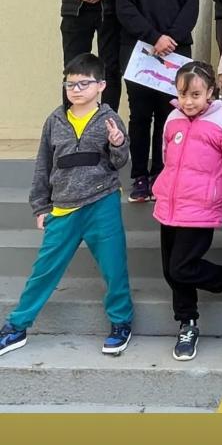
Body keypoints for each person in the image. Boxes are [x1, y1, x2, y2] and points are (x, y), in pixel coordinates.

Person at [0, 54, 133, 358]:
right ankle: (17, 326)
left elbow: (119, 163)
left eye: (83, 83)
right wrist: (40, 206)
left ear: (101, 85)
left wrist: (117, 142)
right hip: (63, 208)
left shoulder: (109, 120)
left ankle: (121, 322)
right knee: (44, 271)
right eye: (70, 83)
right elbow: (43, 165)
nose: (75, 89)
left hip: (102, 204)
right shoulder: (55, 120)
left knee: (114, 269)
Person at [153, 61, 222, 361]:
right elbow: (168, 160)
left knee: (182, 267)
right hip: (170, 206)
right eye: (183, 94)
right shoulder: (172, 119)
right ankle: (187, 323)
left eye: (195, 95)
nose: (188, 102)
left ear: (210, 92)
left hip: (201, 208)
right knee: (171, 271)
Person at [115, 0, 200, 202]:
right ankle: (139, 175)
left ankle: (164, 174)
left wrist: (171, 39)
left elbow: (192, 7)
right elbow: (124, 7)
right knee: (140, 115)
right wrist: (154, 37)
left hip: (175, 53)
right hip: (140, 51)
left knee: (170, 115)